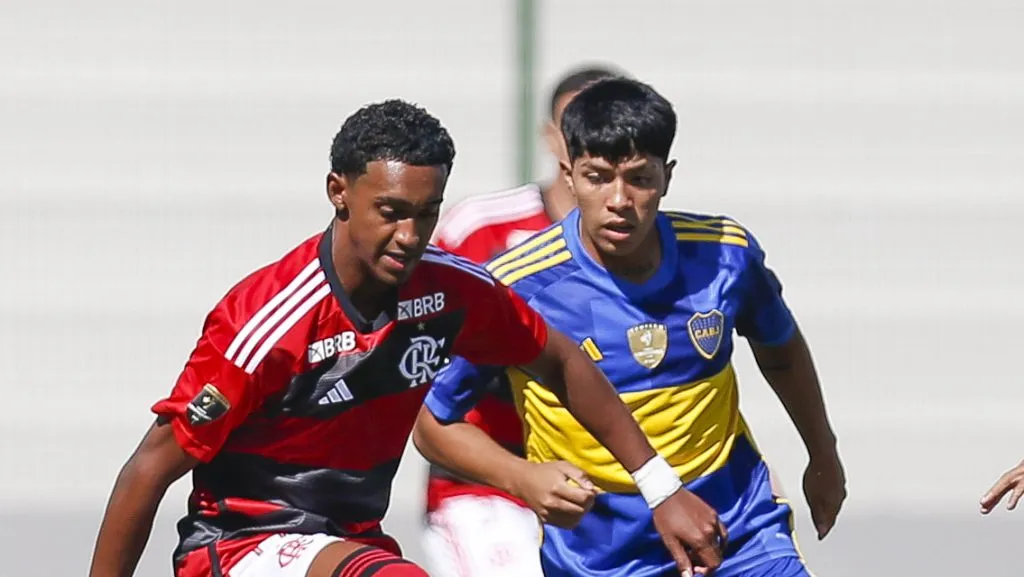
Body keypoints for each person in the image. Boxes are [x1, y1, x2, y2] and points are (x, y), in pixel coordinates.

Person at [87, 98, 728, 577]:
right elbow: (148, 469)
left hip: (354, 539)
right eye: (391, 212)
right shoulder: (269, 319)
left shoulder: (451, 292)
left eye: (427, 214)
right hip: (243, 543)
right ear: (339, 193)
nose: (410, 235)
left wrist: (661, 488)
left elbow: (561, 361)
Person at [414, 78, 848, 577]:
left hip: (737, 530)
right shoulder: (516, 287)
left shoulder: (725, 254)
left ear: (668, 176)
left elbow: (782, 351)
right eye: (598, 177)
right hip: (601, 557)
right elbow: (432, 424)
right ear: (568, 175)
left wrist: (823, 453)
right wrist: (521, 478)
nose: (619, 199)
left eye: (639, 178)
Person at [423, 64, 622, 577]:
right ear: (552, 138)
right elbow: (423, 365)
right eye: (579, 125)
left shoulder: (647, 247)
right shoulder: (480, 230)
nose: (593, 141)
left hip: (608, 489)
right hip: (486, 488)